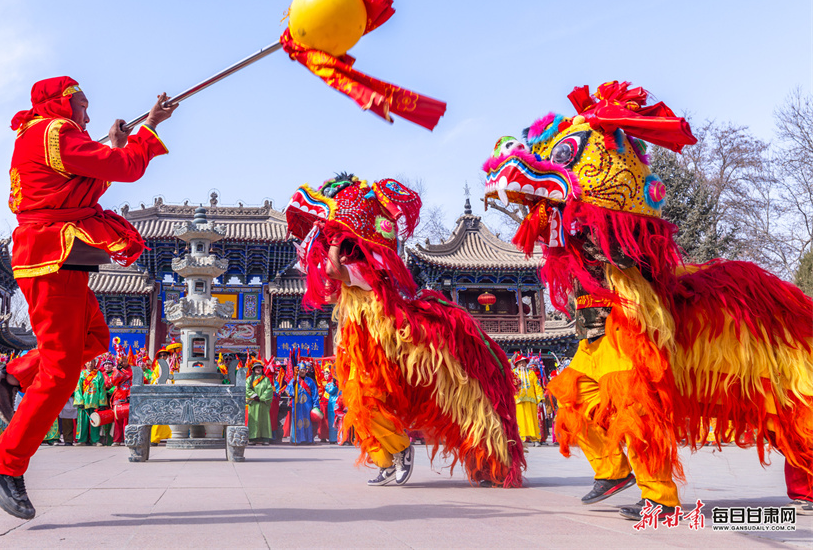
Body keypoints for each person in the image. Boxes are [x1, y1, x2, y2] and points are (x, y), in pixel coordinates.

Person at [482, 81, 813, 518]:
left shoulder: (626, 234)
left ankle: (660, 497)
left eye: (562, 157)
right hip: (596, 335)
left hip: (632, 327)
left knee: (635, 403)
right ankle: (612, 470)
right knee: (570, 396)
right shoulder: (569, 235)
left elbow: (633, 258)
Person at [0, 77, 176, 519]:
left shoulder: (41, 136)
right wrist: (149, 128)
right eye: (81, 105)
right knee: (60, 371)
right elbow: (126, 169)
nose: (87, 115)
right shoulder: (55, 131)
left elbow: (81, 189)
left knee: (94, 340)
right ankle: (5, 467)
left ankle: (11, 377)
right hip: (52, 258)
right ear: (61, 104)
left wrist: (116, 144)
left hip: (59, 257)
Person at [286, 175, 525, 487]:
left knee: (389, 397)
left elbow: (334, 270)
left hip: (386, 342)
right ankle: (387, 461)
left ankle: (409, 451)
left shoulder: (365, 269)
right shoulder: (352, 274)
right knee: (360, 403)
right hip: (361, 345)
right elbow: (328, 288)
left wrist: (333, 241)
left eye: (343, 242)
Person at [73, 359, 107, 446]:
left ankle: (96, 440)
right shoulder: (81, 374)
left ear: (95, 363)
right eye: (88, 361)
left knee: (95, 421)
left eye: (92, 361)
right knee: (83, 422)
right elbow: (78, 388)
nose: (90, 363)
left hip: (95, 402)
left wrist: (102, 403)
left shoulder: (99, 374)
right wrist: (79, 401)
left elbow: (102, 389)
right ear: (85, 363)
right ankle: (82, 440)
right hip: (84, 402)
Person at [512, 354, 543, 444]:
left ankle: (535, 439)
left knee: (532, 420)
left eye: (523, 362)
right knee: (520, 420)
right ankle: (521, 439)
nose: (522, 364)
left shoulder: (531, 373)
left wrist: (540, 399)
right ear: (517, 364)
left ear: (526, 364)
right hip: (518, 400)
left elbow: (537, 386)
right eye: (520, 363)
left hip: (531, 400)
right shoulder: (513, 374)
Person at [106, 345, 133, 445]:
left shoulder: (132, 370)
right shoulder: (116, 370)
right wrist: (118, 370)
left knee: (127, 420)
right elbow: (113, 382)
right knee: (117, 419)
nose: (123, 363)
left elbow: (133, 384)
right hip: (118, 397)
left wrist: (130, 395)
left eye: (125, 360)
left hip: (128, 397)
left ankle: (127, 439)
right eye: (121, 361)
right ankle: (116, 440)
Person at [286, 362, 319, 445]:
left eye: (304, 369)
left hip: (308, 405)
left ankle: (308, 439)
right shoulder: (294, 380)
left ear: (306, 371)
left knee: (307, 421)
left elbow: (315, 393)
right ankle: (297, 440)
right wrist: (293, 387)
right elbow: (288, 391)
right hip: (297, 405)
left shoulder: (310, 381)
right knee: (297, 421)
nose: (302, 371)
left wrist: (315, 405)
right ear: (298, 371)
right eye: (301, 370)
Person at [245, 359, 272, 444]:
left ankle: (265, 439)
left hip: (263, 403)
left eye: (260, 367)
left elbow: (269, 389)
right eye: (256, 367)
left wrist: (262, 398)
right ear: (253, 369)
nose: (258, 369)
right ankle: (253, 438)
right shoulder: (249, 379)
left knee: (264, 421)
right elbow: (247, 389)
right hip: (253, 403)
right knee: (254, 421)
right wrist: (254, 396)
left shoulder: (266, 379)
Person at [323, 365, 341, 444]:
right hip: (332, 405)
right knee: (332, 421)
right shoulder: (329, 384)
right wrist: (334, 384)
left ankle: (341, 438)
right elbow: (330, 391)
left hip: (340, 404)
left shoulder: (342, 382)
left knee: (340, 421)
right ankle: (333, 438)